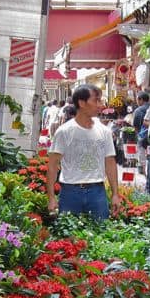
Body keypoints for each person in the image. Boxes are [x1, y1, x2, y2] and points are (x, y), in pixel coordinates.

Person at [47, 84, 121, 220]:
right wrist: (51, 197)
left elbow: (110, 163)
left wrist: (115, 194)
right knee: (69, 237)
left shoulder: (104, 132)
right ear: (81, 102)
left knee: (101, 234)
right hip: (70, 192)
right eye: (96, 100)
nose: (100, 105)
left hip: (97, 191)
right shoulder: (64, 132)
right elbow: (52, 166)